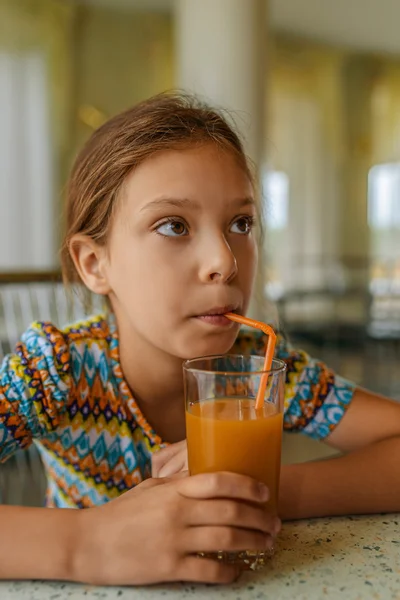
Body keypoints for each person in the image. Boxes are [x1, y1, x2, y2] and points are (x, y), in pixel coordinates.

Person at [1, 92, 399, 587]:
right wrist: (86, 543)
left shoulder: (263, 368)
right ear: (94, 264)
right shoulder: (55, 371)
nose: (225, 261)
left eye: (240, 223)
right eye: (174, 225)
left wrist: (261, 488)